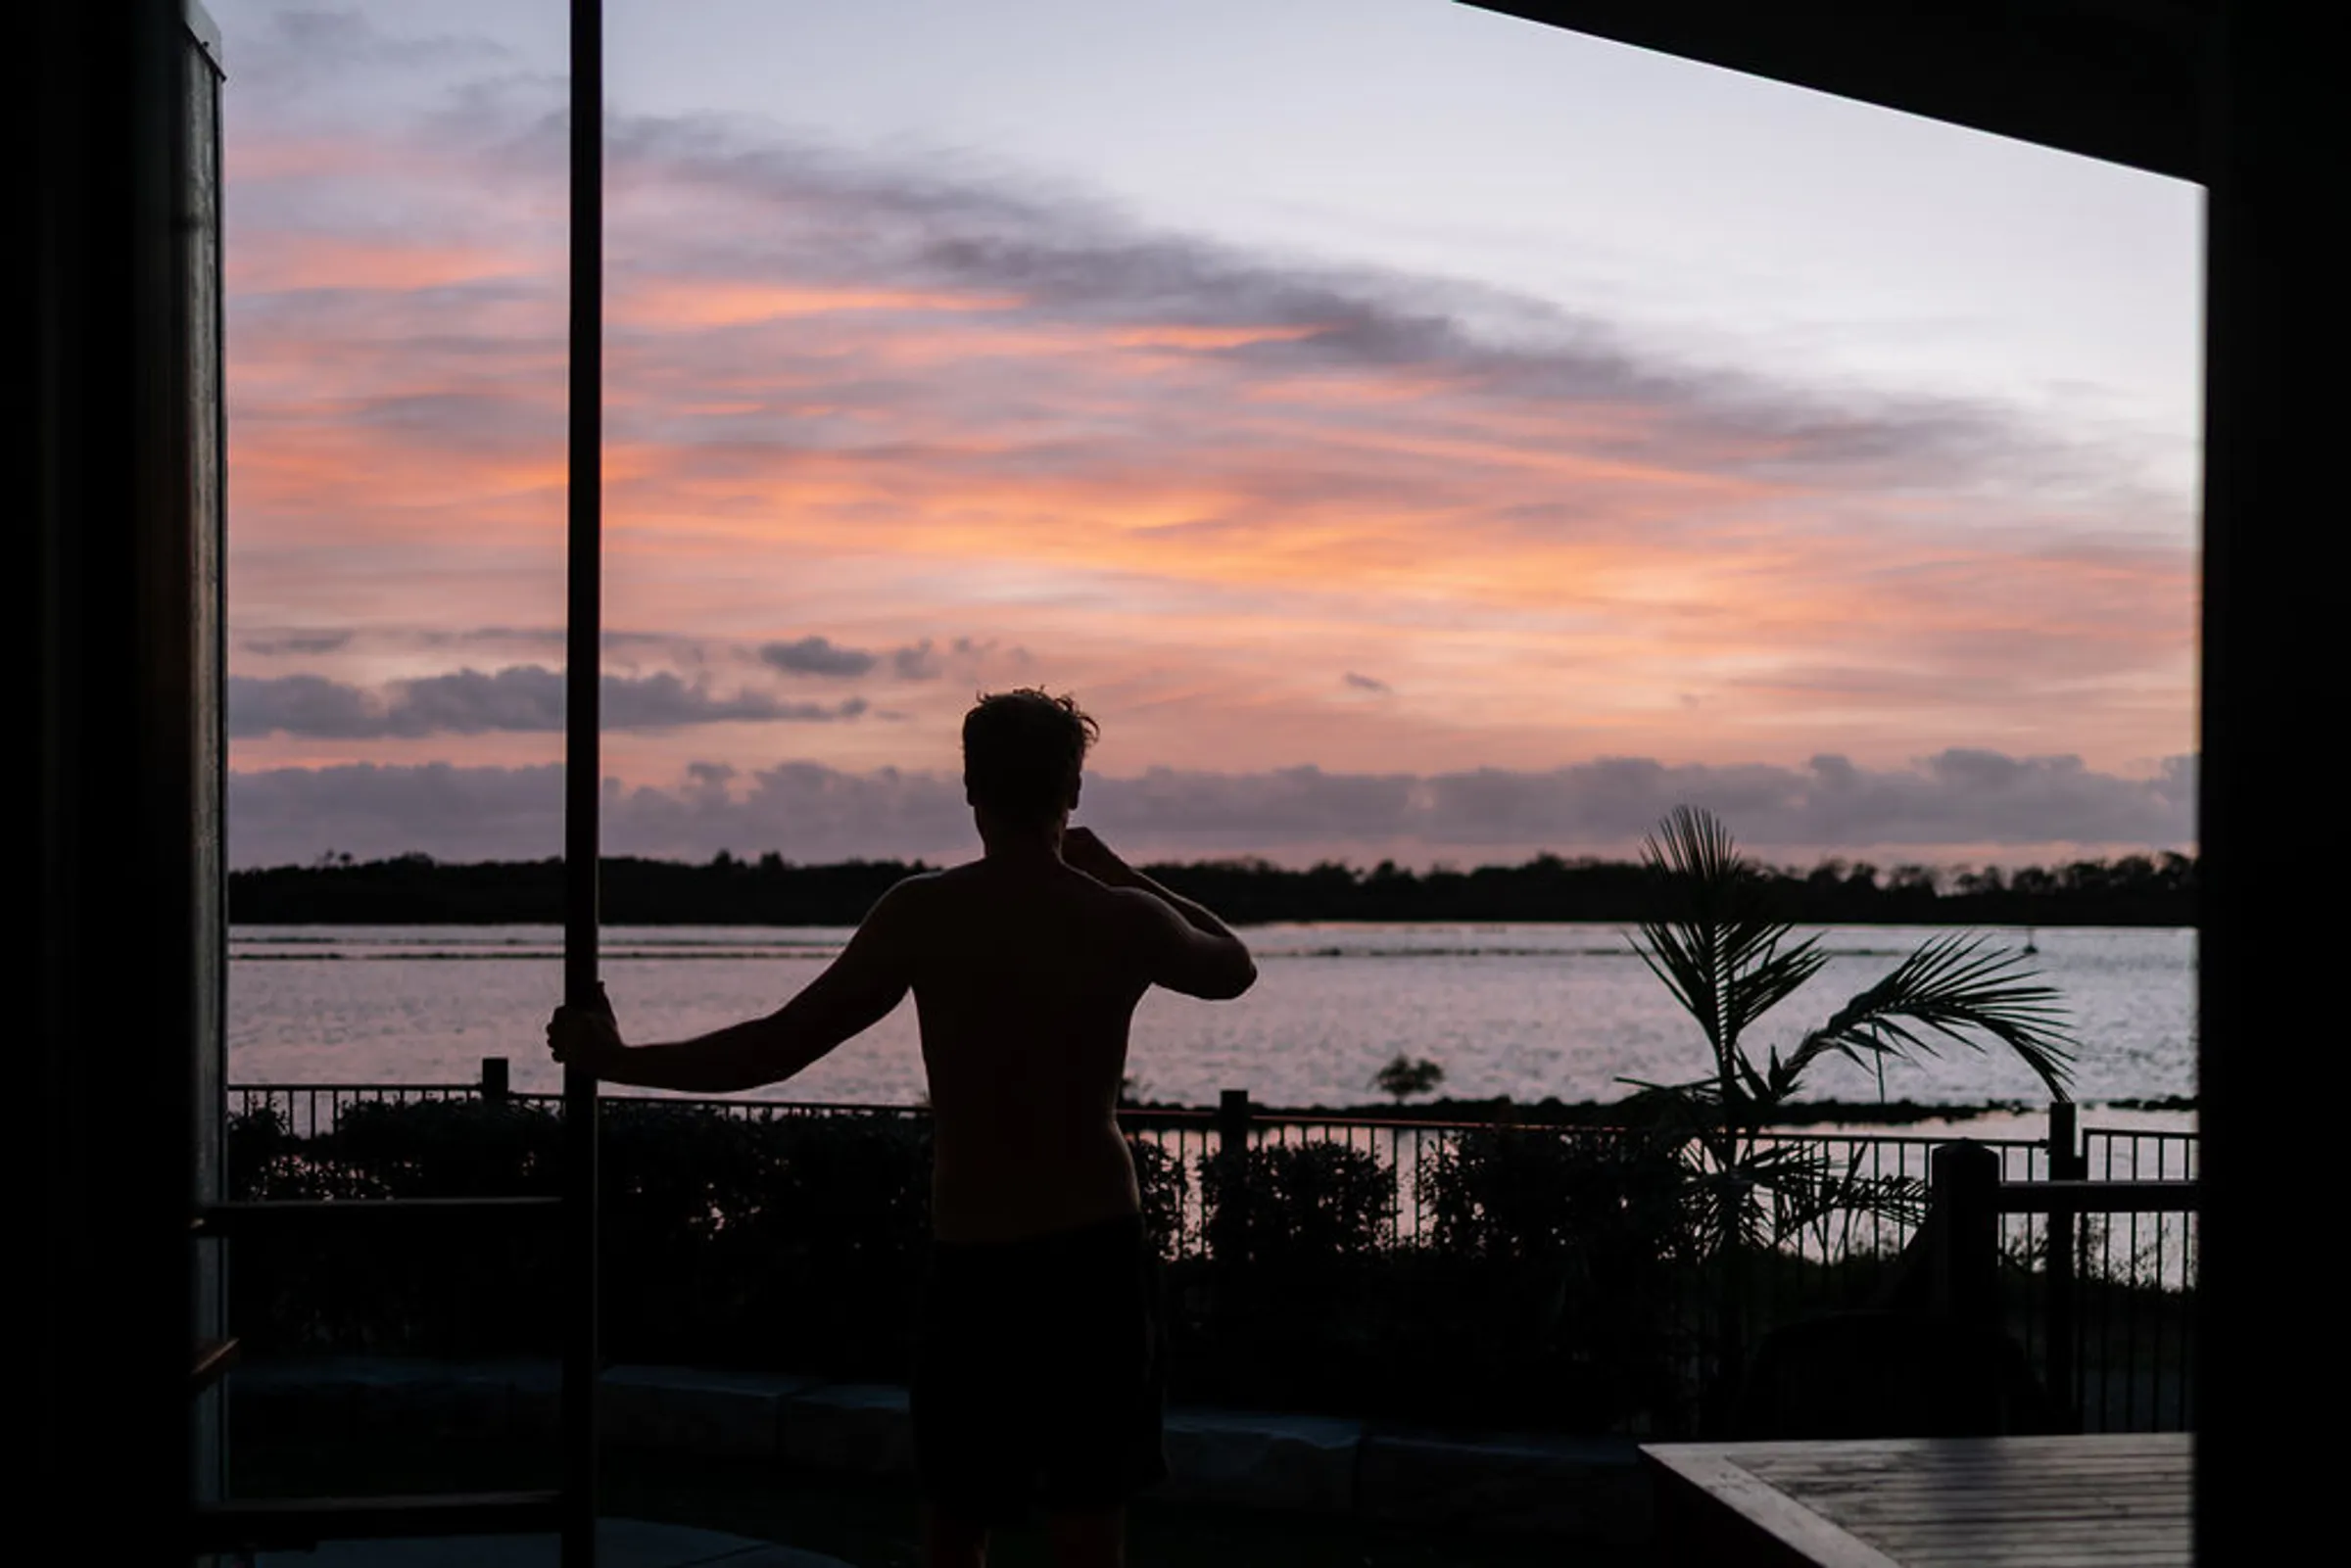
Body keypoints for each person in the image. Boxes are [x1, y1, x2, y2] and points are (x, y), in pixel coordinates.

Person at [547, 688, 1258, 1568]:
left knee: (957, 1527)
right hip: (1094, 1254)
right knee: (1086, 1529)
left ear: (970, 787)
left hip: (978, 1251)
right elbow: (1233, 964)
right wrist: (1122, 872)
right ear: (1073, 790)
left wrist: (616, 1059)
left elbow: (777, 1047)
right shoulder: (1119, 917)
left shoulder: (925, 912)